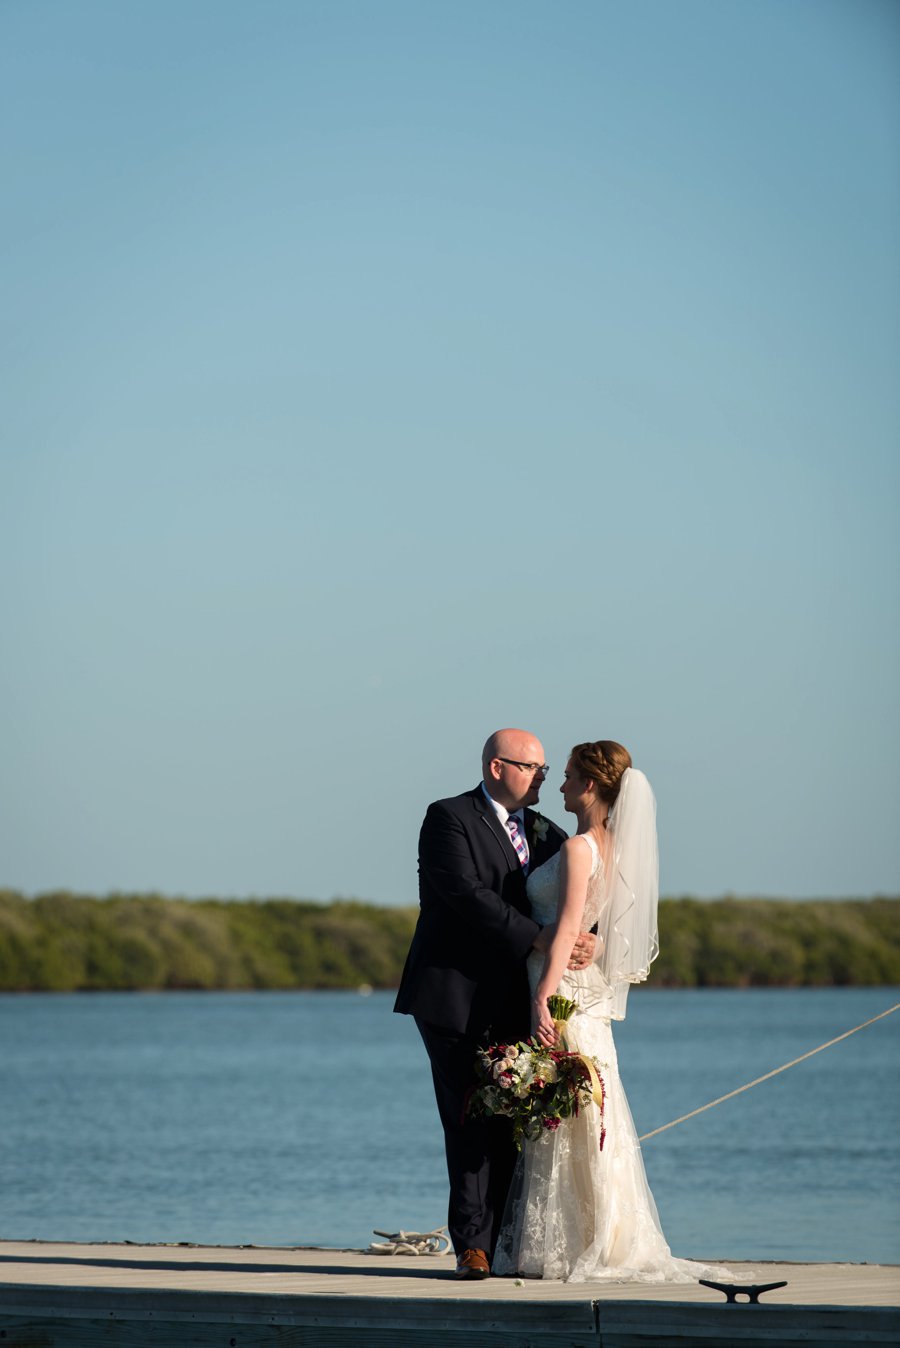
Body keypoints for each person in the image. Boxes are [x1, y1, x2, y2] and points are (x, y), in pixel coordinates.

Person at [493, 741, 732, 1283]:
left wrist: (542, 999)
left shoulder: (579, 848)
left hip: (565, 990)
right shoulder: (620, 847)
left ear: (592, 786)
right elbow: (609, 933)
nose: (559, 786)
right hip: (592, 992)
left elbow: (569, 930)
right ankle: (601, 1233)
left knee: (573, 1114)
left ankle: (574, 1242)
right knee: (593, 1110)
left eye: (569, 776)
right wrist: (597, 947)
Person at [394, 728, 596, 1280]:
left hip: (517, 997)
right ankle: (472, 1248)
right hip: (452, 995)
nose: (542, 780)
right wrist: (540, 937)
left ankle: (506, 1239)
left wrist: (589, 935)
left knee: (517, 1118)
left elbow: (577, 894)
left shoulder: (545, 831)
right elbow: (466, 896)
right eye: (532, 768)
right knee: (466, 1116)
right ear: (496, 768)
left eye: (547, 771)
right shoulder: (449, 817)